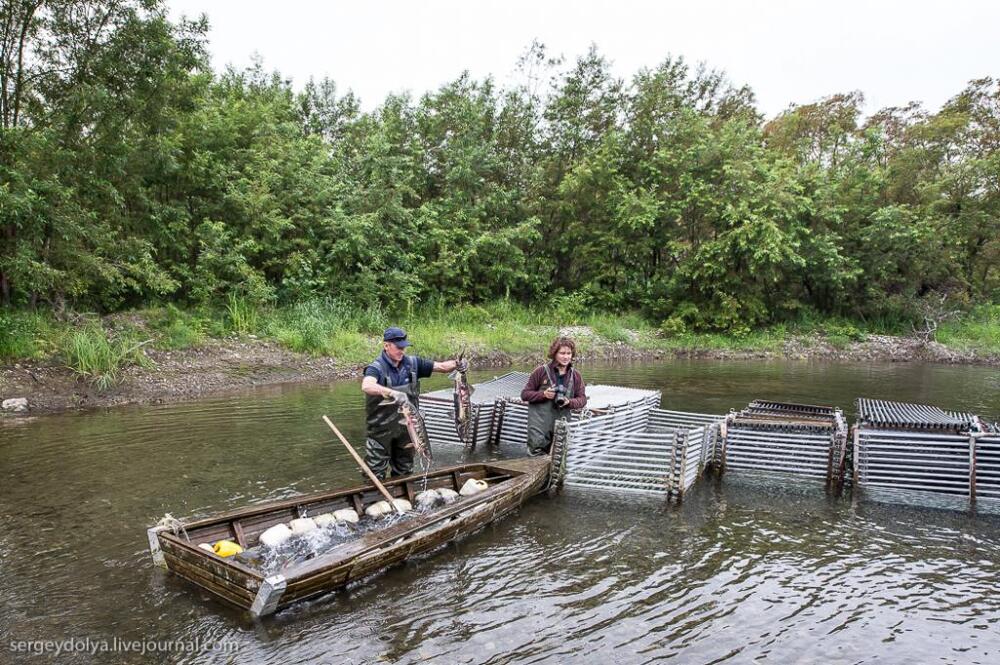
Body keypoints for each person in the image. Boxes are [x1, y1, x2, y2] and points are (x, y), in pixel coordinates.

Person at [361, 326, 466, 479]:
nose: (402, 351)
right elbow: (367, 385)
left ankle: (403, 499)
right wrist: (391, 392)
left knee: (405, 471)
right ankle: (375, 501)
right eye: (398, 347)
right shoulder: (376, 368)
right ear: (386, 346)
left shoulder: (413, 364)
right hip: (380, 433)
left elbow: (442, 367)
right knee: (374, 474)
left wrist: (458, 364)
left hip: (408, 431)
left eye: (404, 347)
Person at [520, 336, 588, 456]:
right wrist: (543, 394)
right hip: (540, 426)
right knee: (535, 455)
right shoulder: (540, 372)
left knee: (560, 456)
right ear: (554, 353)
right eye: (562, 353)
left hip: (562, 425)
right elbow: (525, 395)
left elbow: (582, 399)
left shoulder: (576, 376)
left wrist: (569, 402)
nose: (566, 357)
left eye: (569, 353)